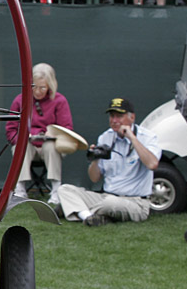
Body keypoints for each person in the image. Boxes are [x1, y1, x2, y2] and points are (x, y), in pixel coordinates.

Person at [57, 97, 161, 226]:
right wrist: (95, 159)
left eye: (119, 116)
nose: (114, 120)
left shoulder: (148, 137)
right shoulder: (105, 137)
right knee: (65, 189)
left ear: (132, 118)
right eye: (112, 116)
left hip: (136, 202)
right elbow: (94, 178)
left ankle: (75, 209)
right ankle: (89, 217)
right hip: (106, 196)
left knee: (110, 203)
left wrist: (132, 138)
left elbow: (152, 164)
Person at [5, 63, 74, 203]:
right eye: (34, 87)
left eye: (42, 87)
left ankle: (56, 190)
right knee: (20, 148)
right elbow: (11, 129)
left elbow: (66, 129)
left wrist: (52, 136)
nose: (37, 91)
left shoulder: (59, 101)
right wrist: (22, 139)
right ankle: (20, 189)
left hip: (49, 146)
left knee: (51, 148)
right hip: (27, 144)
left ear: (51, 85)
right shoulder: (20, 100)